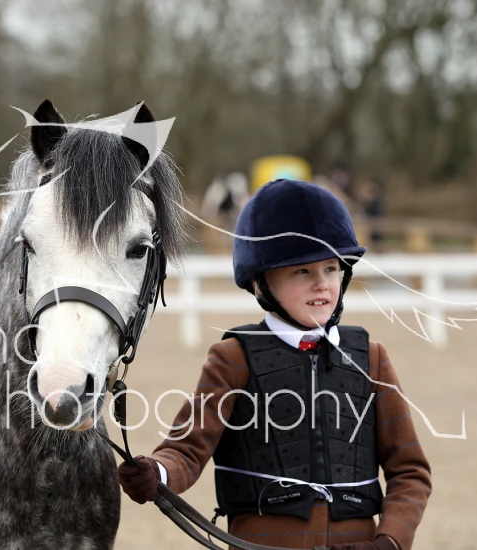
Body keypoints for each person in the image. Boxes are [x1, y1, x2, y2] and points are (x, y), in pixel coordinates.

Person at [118, 179, 431, 550]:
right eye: (302, 271)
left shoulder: (372, 358)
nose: (322, 284)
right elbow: (188, 448)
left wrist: (391, 540)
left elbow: (410, 471)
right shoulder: (233, 358)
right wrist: (157, 471)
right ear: (262, 283)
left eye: (331, 269)